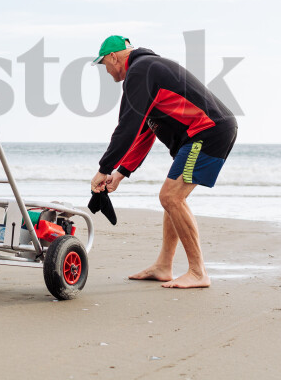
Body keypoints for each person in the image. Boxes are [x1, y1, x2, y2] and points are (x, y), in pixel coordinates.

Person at [90, 35, 237, 289]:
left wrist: (103, 169)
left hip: (207, 133)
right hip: (198, 136)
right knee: (172, 198)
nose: (106, 70)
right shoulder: (148, 70)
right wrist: (121, 172)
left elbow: (126, 127)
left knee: (171, 197)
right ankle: (163, 266)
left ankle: (198, 272)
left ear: (114, 57)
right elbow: (144, 132)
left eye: (104, 64)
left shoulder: (140, 71)